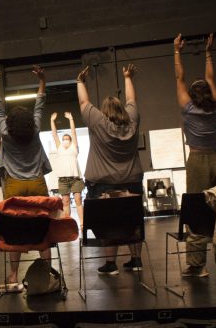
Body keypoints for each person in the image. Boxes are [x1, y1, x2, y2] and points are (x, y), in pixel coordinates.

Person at [77, 63, 145, 275]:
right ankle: (136, 260)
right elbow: (132, 100)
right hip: (131, 181)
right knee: (132, 220)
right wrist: (128, 77)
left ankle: (110, 263)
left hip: (103, 184)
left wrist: (80, 82)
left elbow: (84, 101)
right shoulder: (132, 121)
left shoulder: (98, 122)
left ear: (104, 112)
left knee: (108, 222)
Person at [0, 65, 53, 287]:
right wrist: (42, 80)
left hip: (14, 185)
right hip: (36, 182)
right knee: (42, 226)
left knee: (12, 228)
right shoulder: (34, 129)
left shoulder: (5, 134)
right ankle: (46, 272)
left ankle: (14, 275)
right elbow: (40, 105)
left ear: (10, 123)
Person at [174, 34, 216, 277]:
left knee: (197, 212)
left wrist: (176, 51)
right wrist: (208, 52)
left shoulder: (188, 107)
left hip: (197, 161)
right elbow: (210, 76)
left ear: (193, 94)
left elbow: (179, 77)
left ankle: (197, 265)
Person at [50, 111, 84, 224]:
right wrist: (52, 121)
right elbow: (54, 134)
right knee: (65, 202)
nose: (65, 140)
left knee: (78, 200)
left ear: (70, 140)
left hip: (75, 178)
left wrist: (71, 119)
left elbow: (73, 133)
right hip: (63, 179)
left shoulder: (74, 147)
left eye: (67, 138)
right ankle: (67, 224)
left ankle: (82, 223)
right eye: (63, 138)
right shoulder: (59, 148)